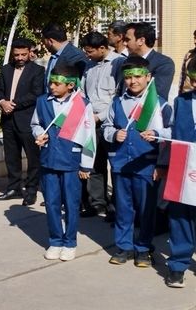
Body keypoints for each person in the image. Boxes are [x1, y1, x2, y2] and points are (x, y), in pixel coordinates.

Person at [103, 56, 172, 267]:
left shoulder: (159, 103)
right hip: (121, 164)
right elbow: (105, 127)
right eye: (128, 77)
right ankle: (123, 246)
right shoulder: (117, 102)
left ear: (148, 77)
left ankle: (143, 248)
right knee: (123, 208)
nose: (133, 82)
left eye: (138, 77)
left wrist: (158, 134)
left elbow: (172, 132)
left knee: (146, 209)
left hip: (147, 165)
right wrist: (114, 135)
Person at [31, 63, 95, 262]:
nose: (52, 86)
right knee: (51, 203)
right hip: (49, 160)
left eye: (57, 83)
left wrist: (86, 164)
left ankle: (70, 242)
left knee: (71, 203)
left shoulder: (81, 104)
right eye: (51, 82)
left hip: (71, 161)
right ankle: (56, 240)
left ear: (69, 85)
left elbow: (89, 135)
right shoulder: (42, 101)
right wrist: (39, 133)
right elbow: (35, 123)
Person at [159, 58, 196, 288]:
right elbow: (169, 134)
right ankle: (178, 265)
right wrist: (163, 163)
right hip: (183, 167)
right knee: (180, 216)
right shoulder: (180, 102)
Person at [0, 38, 44, 205]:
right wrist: (2, 101)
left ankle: (31, 190)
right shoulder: (6, 69)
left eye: (23, 54)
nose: (20, 58)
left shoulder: (37, 70)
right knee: (11, 157)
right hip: (8, 121)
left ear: (29, 53)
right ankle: (13, 188)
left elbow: (37, 93)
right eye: (17, 55)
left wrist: (13, 104)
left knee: (32, 158)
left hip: (27, 120)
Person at [80, 31, 123, 218]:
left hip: (111, 123)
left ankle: (115, 206)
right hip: (91, 123)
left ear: (103, 48)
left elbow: (118, 96)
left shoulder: (118, 63)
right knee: (95, 163)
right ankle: (98, 203)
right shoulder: (89, 67)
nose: (87, 55)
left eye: (90, 51)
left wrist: (101, 116)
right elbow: (82, 92)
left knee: (114, 165)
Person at [122, 22, 175, 101]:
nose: (124, 43)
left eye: (127, 40)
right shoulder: (127, 61)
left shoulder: (164, 63)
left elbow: (157, 94)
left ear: (141, 40)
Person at [41, 23, 89, 92]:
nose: (44, 45)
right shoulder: (54, 55)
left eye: (44, 41)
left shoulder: (76, 56)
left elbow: (79, 84)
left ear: (50, 41)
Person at [177, 29, 196, 94]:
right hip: (187, 94)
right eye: (195, 38)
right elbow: (182, 76)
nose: (195, 41)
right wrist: (180, 93)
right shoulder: (188, 54)